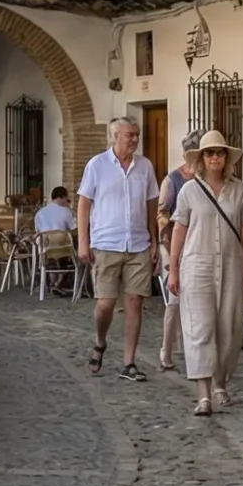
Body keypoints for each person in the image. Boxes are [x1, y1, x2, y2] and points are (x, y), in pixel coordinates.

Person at [167, 130, 243, 416]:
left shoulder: (239, 190)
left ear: (226, 158)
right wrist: (173, 269)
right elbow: (179, 230)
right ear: (201, 158)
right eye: (209, 153)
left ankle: (221, 384)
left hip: (231, 264)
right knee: (200, 328)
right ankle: (203, 395)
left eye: (219, 153)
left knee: (229, 327)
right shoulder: (189, 191)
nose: (215, 157)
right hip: (197, 265)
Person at [76, 118, 159, 380]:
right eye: (129, 135)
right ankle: (100, 341)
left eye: (137, 135)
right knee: (105, 304)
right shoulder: (97, 165)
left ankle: (129, 363)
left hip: (138, 244)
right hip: (105, 243)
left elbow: (151, 205)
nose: (135, 139)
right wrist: (82, 241)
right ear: (115, 136)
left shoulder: (145, 166)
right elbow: (83, 204)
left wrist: (154, 241)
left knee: (134, 302)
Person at [155, 146, 196, 371]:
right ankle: (166, 349)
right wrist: (169, 249)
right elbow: (162, 214)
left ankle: (195, 351)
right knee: (175, 300)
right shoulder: (172, 180)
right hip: (173, 245)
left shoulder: (207, 179)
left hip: (198, 247)